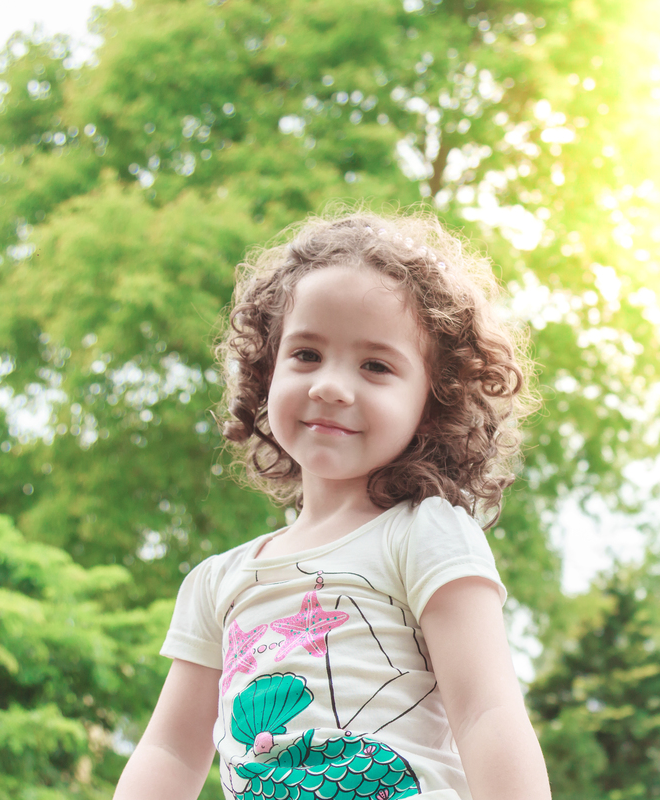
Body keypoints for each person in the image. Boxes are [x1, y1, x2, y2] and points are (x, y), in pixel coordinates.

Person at [114, 210, 550, 800]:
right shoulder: (216, 583)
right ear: (266, 372)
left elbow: (487, 713)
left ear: (433, 401)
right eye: (306, 355)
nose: (330, 386)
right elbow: (167, 750)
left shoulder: (424, 533)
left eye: (375, 365)